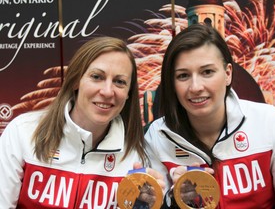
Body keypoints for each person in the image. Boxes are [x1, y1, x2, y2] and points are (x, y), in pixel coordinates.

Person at [0, 36, 165, 208]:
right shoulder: (23, 132)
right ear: (75, 81)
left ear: (129, 93)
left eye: (119, 82)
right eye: (97, 77)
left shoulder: (137, 156)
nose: (108, 91)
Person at [144, 23, 275, 208]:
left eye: (207, 72)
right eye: (183, 76)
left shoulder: (271, 123)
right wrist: (174, 201)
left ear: (227, 74)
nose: (195, 87)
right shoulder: (157, 136)